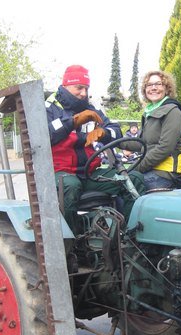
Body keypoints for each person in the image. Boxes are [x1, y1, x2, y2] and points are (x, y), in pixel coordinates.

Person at [45, 65, 145, 233]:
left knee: (133, 179)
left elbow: (116, 130)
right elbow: (46, 134)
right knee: (71, 185)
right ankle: (70, 242)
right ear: (66, 85)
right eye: (79, 88)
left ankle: (129, 237)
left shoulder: (90, 107)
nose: (83, 93)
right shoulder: (49, 108)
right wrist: (74, 121)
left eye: (86, 88)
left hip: (89, 172)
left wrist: (103, 133)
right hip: (59, 173)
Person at [119, 70, 181, 190]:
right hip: (153, 169)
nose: (153, 88)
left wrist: (136, 167)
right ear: (145, 90)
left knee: (123, 187)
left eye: (158, 84)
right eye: (149, 85)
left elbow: (164, 148)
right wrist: (116, 141)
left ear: (166, 88)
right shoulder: (150, 112)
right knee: (115, 182)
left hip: (165, 173)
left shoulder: (172, 112)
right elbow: (142, 143)